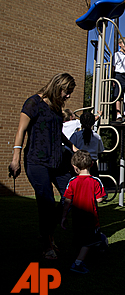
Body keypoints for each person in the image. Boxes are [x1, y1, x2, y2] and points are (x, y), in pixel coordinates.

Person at [9, 73, 77, 260]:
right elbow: (21, 130)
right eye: (67, 91)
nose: (69, 96)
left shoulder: (56, 108)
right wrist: (15, 158)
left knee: (71, 195)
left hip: (57, 161)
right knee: (46, 202)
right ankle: (47, 244)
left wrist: (74, 148)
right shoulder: (33, 103)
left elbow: (59, 134)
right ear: (57, 86)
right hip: (37, 162)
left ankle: (47, 231)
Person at [61, 150, 107, 274]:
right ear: (91, 164)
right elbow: (99, 198)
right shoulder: (95, 181)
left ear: (75, 167)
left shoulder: (72, 182)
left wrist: (64, 217)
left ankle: (83, 257)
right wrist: (104, 197)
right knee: (89, 241)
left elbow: (67, 201)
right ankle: (78, 263)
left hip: (76, 217)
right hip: (90, 218)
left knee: (81, 239)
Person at [70, 111, 104, 177]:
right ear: (93, 123)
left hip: (78, 165)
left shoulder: (76, 135)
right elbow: (100, 152)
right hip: (92, 165)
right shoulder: (97, 137)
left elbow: (69, 149)